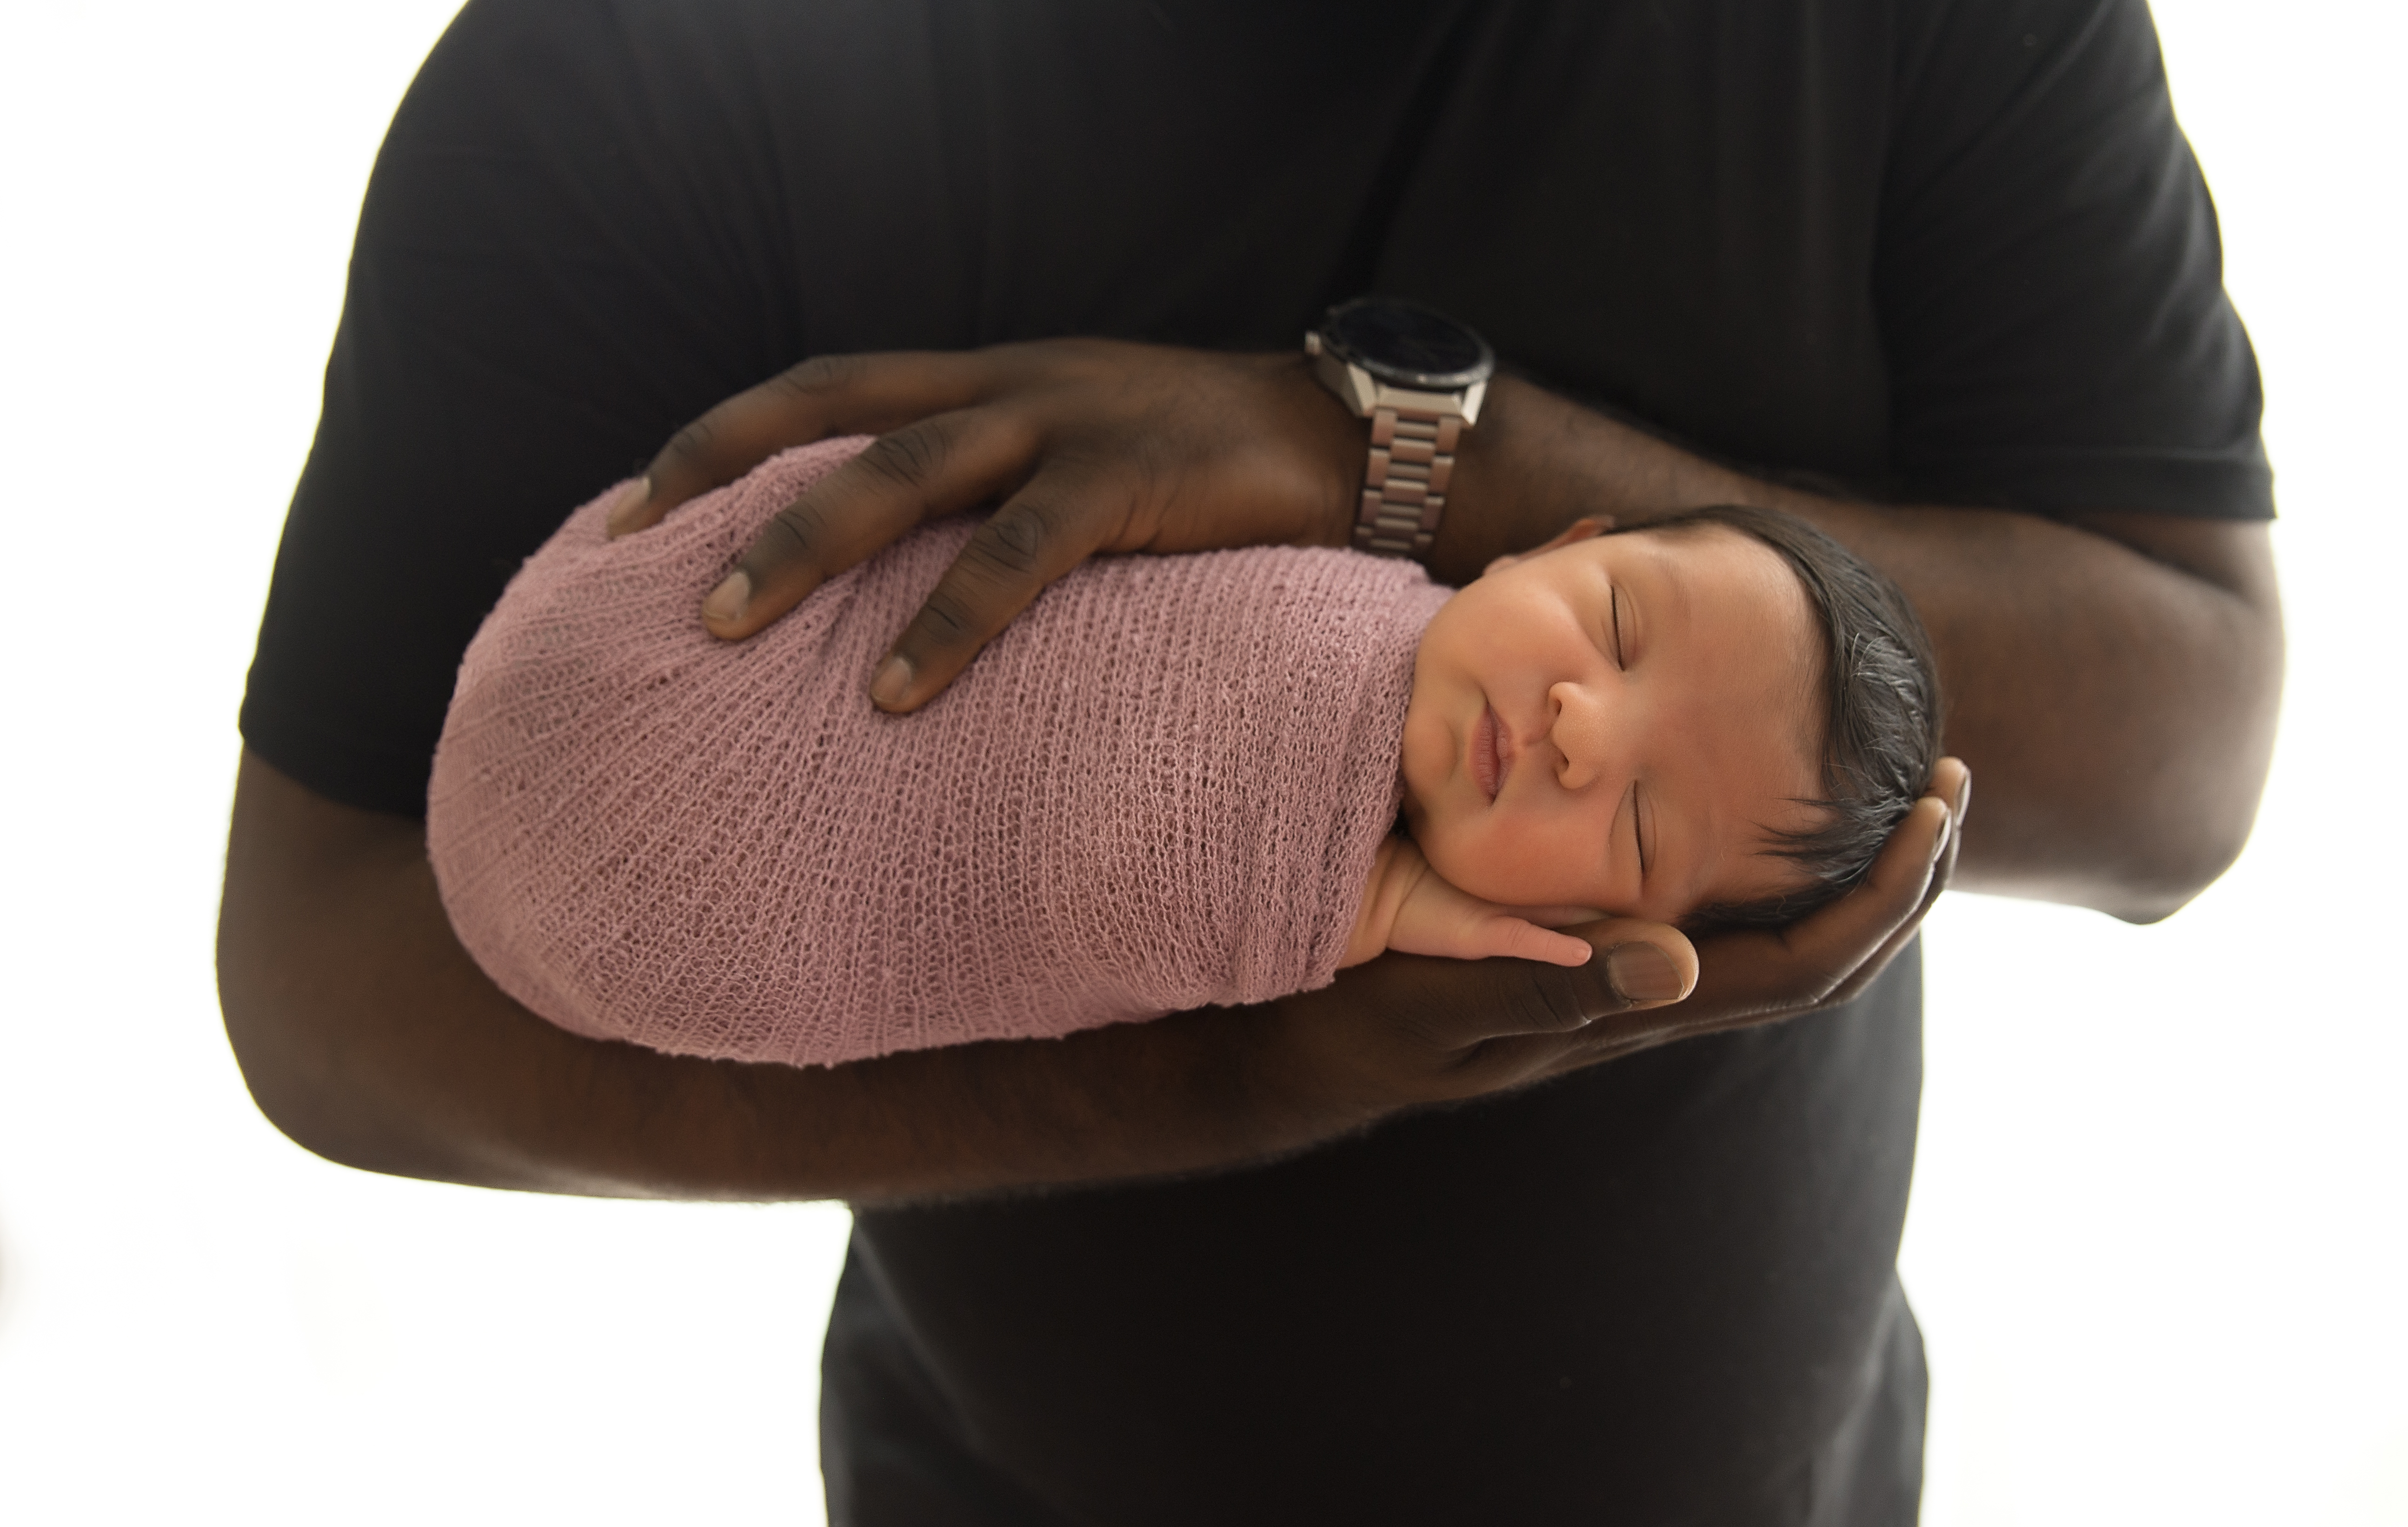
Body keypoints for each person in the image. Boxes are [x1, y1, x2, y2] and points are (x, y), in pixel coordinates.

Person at [216, 2, 2280, 1521]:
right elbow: (328, 982)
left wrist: (1396, 452)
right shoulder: (642, 76)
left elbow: (2181, 745)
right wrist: (1248, 1061)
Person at [426, 437, 1942, 1063]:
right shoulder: (1327, 547)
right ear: (1557, 541)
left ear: (1600, 921)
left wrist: (1363, 910)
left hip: (735, 877)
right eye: (1613, 624)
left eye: (1637, 825)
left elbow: (1098, 878)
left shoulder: (1345, 914)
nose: (1577, 728)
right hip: (759, 673)